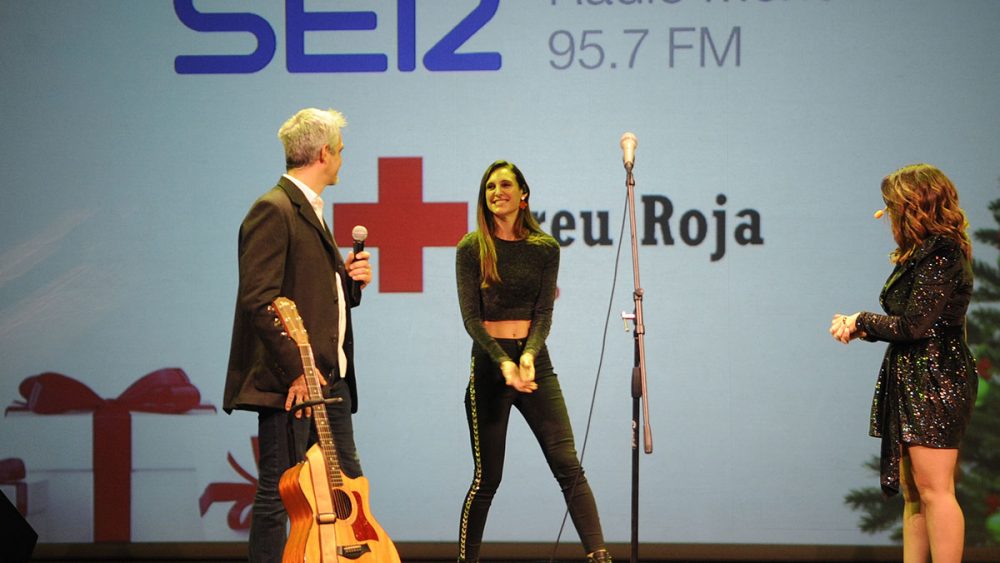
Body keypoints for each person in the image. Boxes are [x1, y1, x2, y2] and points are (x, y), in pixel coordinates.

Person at [224, 108, 372, 563]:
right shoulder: (274, 209)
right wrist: (298, 371)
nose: (343, 161)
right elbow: (260, 299)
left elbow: (309, 295)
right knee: (281, 493)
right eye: (341, 152)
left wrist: (347, 282)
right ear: (324, 152)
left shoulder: (309, 210)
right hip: (295, 385)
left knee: (349, 489)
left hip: (331, 383)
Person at [455, 160, 612, 563]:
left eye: (505, 185)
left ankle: (599, 556)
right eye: (490, 187)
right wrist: (504, 363)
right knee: (487, 479)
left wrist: (526, 354)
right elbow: (472, 320)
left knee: (567, 465)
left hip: (534, 362)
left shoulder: (545, 248)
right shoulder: (472, 249)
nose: (496, 192)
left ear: (523, 194)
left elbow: (543, 314)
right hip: (490, 366)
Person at [830, 163, 977, 563]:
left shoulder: (943, 253)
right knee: (915, 494)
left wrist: (862, 320)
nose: (887, 215)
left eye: (892, 206)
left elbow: (915, 324)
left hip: (935, 379)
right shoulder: (922, 252)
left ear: (916, 205)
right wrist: (866, 328)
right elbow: (909, 323)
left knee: (935, 490)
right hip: (914, 373)